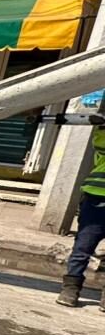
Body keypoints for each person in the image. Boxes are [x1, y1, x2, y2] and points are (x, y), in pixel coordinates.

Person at [57, 122, 105, 309]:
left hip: (95, 200)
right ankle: (70, 289)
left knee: (82, 248)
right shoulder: (102, 137)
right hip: (96, 200)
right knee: (83, 248)